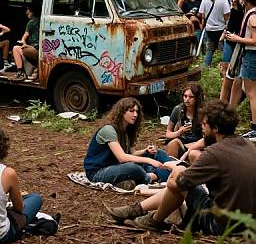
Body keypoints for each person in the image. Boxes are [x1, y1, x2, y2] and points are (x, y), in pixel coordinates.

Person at [106, 100, 256, 235]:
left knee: (179, 177)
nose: (202, 130)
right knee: (183, 175)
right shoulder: (248, 145)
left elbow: (177, 185)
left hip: (222, 225)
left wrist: (176, 170)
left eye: (204, 125)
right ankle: (137, 210)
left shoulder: (214, 153)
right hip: (249, 223)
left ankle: (153, 220)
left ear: (215, 128)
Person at [83, 97, 172, 189]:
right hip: (99, 172)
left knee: (158, 153)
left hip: (117, 166)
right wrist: (149, 161)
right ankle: (152, 177)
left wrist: (145, 151)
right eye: (131, 111)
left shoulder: (126, 130)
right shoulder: (109, 130)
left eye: (137, 112)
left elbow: (131, 153)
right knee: (133, 168)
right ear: (122, 112)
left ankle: (175, 168)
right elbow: (122, 157)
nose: (135, 115)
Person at [225, 0, 256, 140]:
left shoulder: (253, 16)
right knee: (241, 84)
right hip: (247, 57)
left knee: (251, 93)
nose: (241, 0)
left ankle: (254, 127)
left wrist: (237, 38)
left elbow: (255, 40)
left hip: (251, 56)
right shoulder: (249, 14)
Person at [165, 83, 204, 159]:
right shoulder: (178, 110)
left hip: (199, 144)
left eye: (191, 97)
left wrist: (194, 145)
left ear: (197, 98)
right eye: (185, 96)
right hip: (182, 142)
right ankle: (171, 167)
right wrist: (179, 132)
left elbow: (209, 138)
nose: (187, 100)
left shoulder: (203, 112)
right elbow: (168, 133)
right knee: (173, 144)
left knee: (194, 154)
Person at [219, 0, 244, 103]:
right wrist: (225, 34)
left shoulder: (247, 13)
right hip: (231, 41)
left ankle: (229, 102)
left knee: (235, 75)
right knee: (227, 70)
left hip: (240, 43)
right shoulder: (234, 11)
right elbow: (230, 27)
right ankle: (223, 101)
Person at [198, 0, 230, 67]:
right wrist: (227, 26)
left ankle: (205, 66)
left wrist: (203, 24)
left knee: (210, 49)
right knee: (223, 49)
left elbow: (202, 15)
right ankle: (226, 67)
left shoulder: (204, 0)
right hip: (221, 29)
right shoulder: (223, 0)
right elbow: (226, 15)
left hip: (209, 29)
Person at [11, 1, 41, 82]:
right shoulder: (41, 20)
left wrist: (24, 43)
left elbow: (24, 37)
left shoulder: (31, 22)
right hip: (41, 49)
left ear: (33, 11)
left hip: (35, 49)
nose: (26, 12)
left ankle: (20, 72)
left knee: (15, 48)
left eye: (28, 10)